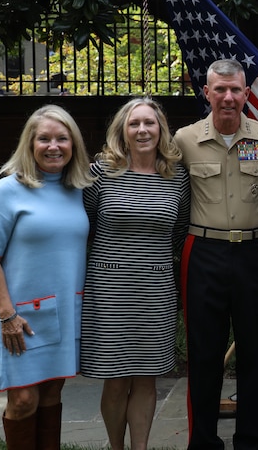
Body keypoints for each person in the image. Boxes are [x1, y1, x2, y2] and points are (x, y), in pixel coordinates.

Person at [174, 58, 258, 450]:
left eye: (235, 89)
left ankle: (252, 439)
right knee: (203, 354)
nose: (227, 97)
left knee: (255, 352)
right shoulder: (184, 140)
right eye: (219, 89)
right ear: (206, 93)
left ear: (246, 94)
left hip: (253, 253)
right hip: (203, 252)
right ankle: (203, 441)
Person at [0, 104, 94, 450]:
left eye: (62, 138)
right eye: (44, 139)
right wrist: (7, 315)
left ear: (74, 144)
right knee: (24, 400)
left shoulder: (79, 189)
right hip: (19, 316)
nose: (53, 146)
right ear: (29, 143)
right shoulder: (9, 190)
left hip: (65, 309)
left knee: (53, 391)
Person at [80, 97, 191, 450]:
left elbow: (180, 229)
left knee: (147, 377)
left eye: (149, 123)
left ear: (161, 130)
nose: (142, 130)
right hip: (109, 288)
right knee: (115, 379)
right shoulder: (101, 173)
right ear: (122, 131)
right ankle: (116, 447)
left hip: (155, 288)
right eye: (134, 124)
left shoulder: (176, 178)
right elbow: (83, 225)